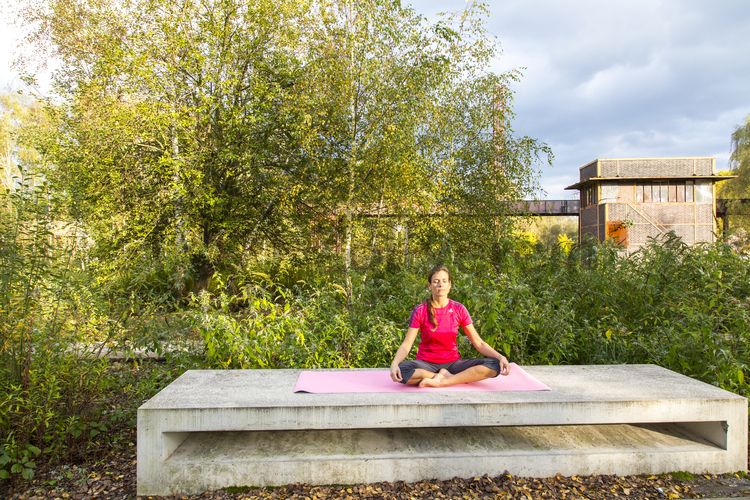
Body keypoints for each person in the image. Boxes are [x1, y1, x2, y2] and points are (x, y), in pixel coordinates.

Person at [390, 265, 511, 388]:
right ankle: (443, 377)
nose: (440, 285)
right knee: (402, 370)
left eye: (444, 281)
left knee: (494, 365)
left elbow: (479, 343)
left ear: (449, 284)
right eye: (436, 281)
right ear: (429, 285)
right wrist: (394, 363)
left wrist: (500, 357)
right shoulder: (420, 310)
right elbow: (407, 344)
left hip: (453, 364)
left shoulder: (459, 309)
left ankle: (445, 380)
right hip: (426, 364)